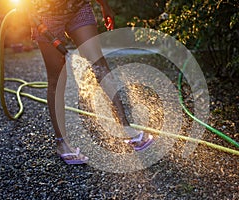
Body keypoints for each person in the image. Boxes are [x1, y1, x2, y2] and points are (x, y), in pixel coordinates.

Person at [29, 0, 153, 165]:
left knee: (99, 65)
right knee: (57, 79)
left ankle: (127, 129)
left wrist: (104, 5)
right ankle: (62, 144)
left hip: (77, 6)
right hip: (45, 14)